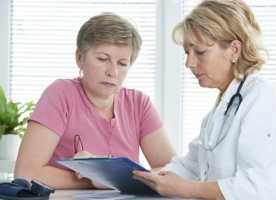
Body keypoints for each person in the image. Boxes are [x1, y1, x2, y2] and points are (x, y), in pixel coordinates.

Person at [133, 0, 276, 199]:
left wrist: (184, 189)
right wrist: (130, 176)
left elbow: (259, 189)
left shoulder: (265, 103)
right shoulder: (220, 112)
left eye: (200, 52)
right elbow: (190, 167)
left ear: (234, 50)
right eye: (187, 52)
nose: (189, 63)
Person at [14, 13, 175, 189]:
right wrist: (93, 179)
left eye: (122, 63)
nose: (112, 72)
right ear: (79, 58)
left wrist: (104, 176)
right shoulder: (60, 94)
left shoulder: (139, 104)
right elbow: (26, 172)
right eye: (102, 59)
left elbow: (173, 171)